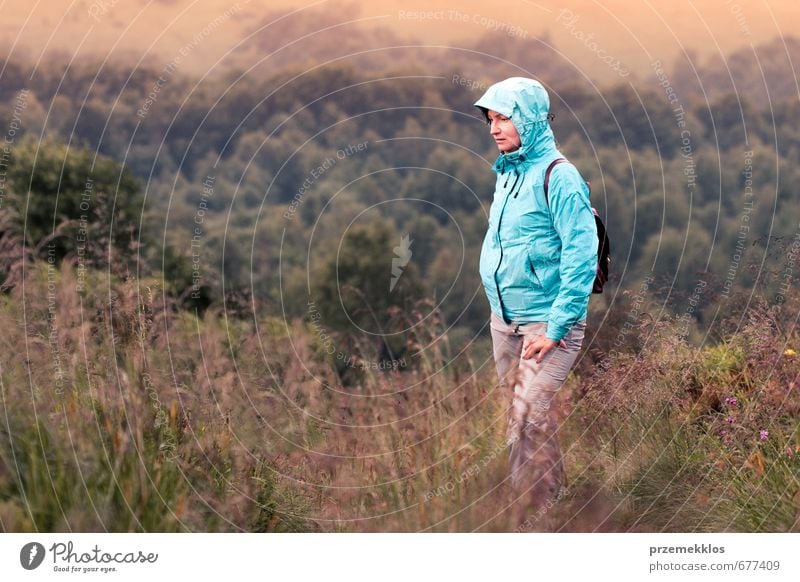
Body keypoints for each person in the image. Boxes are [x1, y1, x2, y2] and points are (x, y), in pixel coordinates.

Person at [474, 77, 597, 522]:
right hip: (503, 322)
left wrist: (558, 328)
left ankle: (524, 520)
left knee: (524, 421)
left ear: (529, 118)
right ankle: (559, 509)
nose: (494, 128)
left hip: (548, 325)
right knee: (529, 418)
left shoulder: (558, 176)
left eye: (504, 117)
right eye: (490, 119)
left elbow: (582, 256)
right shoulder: (508, 172)